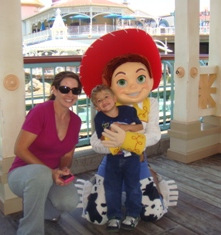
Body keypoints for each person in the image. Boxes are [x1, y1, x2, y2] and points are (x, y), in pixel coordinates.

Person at [76, 29, 178, 226]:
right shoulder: (105, 107)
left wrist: (127, 140)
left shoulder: (151, 104)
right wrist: (117, 144)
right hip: (112, 161)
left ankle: (155, 180)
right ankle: (96, 183)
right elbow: (96, 142)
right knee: (97, 217)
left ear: (150, 78)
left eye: (140, 78)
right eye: (122, 81)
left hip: (136, 160)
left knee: (151, 214)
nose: (132, 86)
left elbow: (155, 134)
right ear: (110, 87)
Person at [8, 71, 82, 235]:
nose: (70, 94)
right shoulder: (40, 112)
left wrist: (63, 169)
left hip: (51, 175)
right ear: (54, 90)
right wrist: (51, 171)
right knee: (40, 173)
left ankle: (43, 211)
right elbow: (19, 149)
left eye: (75, 90)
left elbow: (67, 156)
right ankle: (29, 231)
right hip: (23, 174)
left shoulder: (76, 121)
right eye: (64, 89)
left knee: (69, 202)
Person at [90, 84, 144, 231]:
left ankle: (133, 213)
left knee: (133, 186)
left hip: (132, 156)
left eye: (106, 97)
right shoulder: (99, 118)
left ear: (114, 98)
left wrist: (125, 127)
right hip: (113, 158)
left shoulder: (128, 110)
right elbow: (102, 137)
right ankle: (114, 216)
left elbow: (140, 127)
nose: (104, 101)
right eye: (99, 101)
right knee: (112, 188)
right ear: (97, 107)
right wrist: (111, 131)